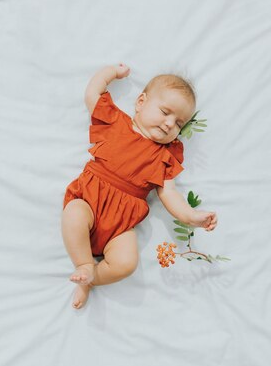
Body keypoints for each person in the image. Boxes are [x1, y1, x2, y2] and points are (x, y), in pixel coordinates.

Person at [62, 63, 218, 309]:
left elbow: (170, 193)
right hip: (90, 201)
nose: (169, 124)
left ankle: (91, 278)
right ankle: (83, 263)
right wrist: (112, 73)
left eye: (179, 123)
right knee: (73, 214)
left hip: (121, 225)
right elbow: (92, 94)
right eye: (165, 112)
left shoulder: (166, 156)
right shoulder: (115, 122)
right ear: (141, 102)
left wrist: (191, 216)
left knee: (126, 264)